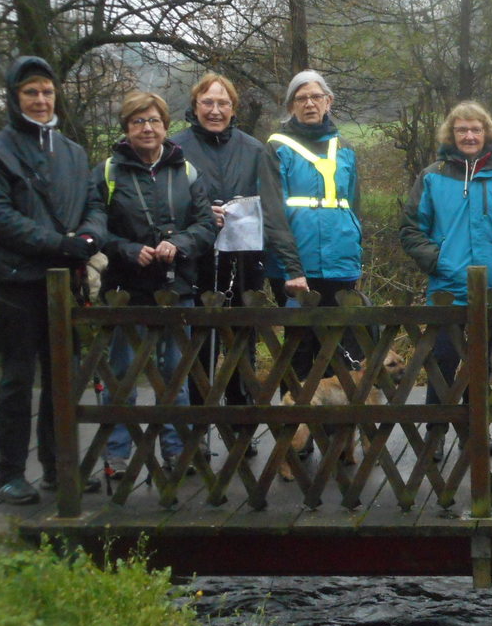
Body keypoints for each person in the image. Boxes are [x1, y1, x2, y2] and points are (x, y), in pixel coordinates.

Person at [0, 56, 107, 504]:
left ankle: (58, 465)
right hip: (15, 282)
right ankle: (9, 473)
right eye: (30, 92)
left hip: (64, 281)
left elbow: (94, 204)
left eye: (47, 91)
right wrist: (58, 244)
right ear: (15, 97)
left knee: (62, 378)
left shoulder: (73, 152)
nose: (40, 99)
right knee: (17, 379)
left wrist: (89, 238)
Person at [172, 73, 303, 456]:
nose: (215, 110)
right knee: (198, 349)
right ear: (195, 107)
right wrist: (199, 214)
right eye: (208, 103)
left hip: (244, 262)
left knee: (242, 345)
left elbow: (272, 202)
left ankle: (241, 431)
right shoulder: (175, 148)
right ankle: (196, 435)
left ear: (234, 108)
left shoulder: (253, 148)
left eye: (223, 103)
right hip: (196, 262)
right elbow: (167, 203)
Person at [96, 92, 216, 475]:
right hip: (125, 289)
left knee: (176, 376)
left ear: (166, 126)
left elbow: (205, 225)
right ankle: (116, 455)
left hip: (176, 287)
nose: (147, 128)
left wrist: (179, 244)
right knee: (122, 373)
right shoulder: (108, 173)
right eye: (138, 121)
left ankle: (177, 452)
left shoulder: (186, 171)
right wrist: (129, 250)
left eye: (154, 121)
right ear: (126, 128)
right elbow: (95, 227)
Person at [399, 101, 492, 459]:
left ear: (487, 134)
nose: (469, 136)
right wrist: (439, 261)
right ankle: (436, 432)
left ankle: (475, 431)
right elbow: (411, 230)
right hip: (447, 288)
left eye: (475, 129)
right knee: (441, 360)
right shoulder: (432, 176)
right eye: (462, 130)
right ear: (451, 135)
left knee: (480, 364)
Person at [259, 70, 361, 391]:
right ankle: (296, 423)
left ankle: (333, 425)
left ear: (329, 101)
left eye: (316, 97)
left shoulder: (344, 148)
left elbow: (353, 207)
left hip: (339, 265)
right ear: (291, 106)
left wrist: (355, 258)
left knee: (338, 356)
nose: (309, 104)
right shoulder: (277, 148)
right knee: (299, 355)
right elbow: (273, 213)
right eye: (301, 98)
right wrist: (292, 268)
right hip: (296, 270)